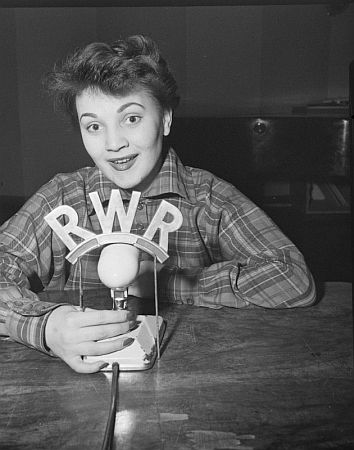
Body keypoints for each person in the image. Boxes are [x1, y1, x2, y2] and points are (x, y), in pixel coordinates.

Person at [0, 35, 316, 373]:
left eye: (131, 118)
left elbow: (293, 278)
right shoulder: (64, 197)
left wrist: (166, 283)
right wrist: (45, 326)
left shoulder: (208, 198)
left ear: (165, 118)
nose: (114, 143)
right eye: (94, 126)